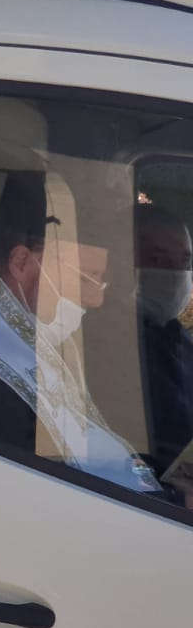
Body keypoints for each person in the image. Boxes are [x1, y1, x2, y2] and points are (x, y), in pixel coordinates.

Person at [0, 170, 162, 494]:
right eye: (85, 279)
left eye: (101, 281)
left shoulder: (35, 334)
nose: (97, 299)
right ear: (21, 263)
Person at [135, 203, 193, 475]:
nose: (175, 275)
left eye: (184, 263)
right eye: (157, 260)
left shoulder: (178, 339)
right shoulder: (108, 343)